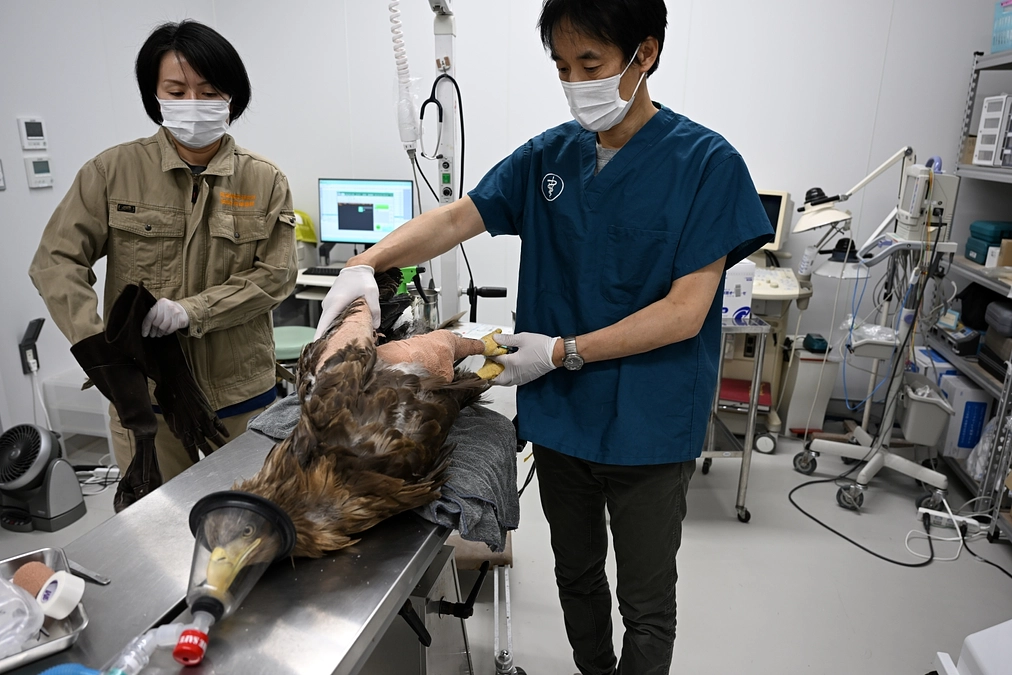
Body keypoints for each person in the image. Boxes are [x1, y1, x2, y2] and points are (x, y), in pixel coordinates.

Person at [315, 1, 772, 672]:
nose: (575, 81)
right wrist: (363, 264)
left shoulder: (705, 164)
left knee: (645, 600)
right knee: (576, 575)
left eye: (591, 63)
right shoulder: (550, 158)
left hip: (651, 422)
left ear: (644, 54)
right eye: (562, 66)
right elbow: (455, 219)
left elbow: (684, 311)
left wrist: (565, 350)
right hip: (563, 422)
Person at [30, 20, 297, 485]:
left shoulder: (264, 180)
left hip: (241, 396)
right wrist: (101, 349)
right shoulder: (111, 172)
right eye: (176, 91)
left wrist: (192, 311)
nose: (192, 105)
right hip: (146, 398)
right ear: (154, 96)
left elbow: (276, 275)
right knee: (156, 527)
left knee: (251, 522)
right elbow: (56, 261)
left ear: (232, 95)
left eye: (208, 90)